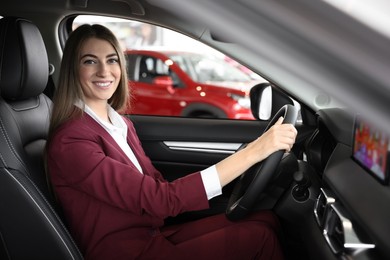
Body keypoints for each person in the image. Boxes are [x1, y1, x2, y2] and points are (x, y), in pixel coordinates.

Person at [46, 24, 297, 260]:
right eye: (90, 61)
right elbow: (160, 199)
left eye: (111, 60)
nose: (104, 71)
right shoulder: (71, 141)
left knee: (265, 220)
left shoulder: (119, 124)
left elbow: (156, 186)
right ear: (73, 69)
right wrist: (255, 151)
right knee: (260, 237)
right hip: (126, 252)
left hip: (151, 234)